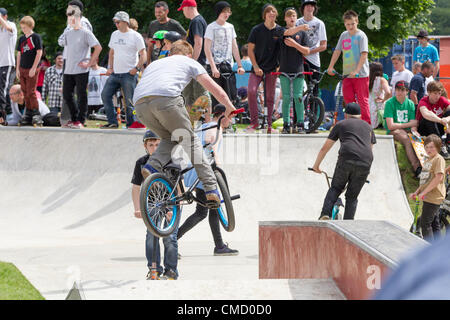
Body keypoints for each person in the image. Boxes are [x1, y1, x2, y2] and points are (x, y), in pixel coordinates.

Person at [132, 40, 237, 209]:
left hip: (140, 106)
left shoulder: (155, 64)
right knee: (191, 141)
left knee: (169, 136)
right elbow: (214, 89)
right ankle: (211, 189)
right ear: (188, 54)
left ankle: (153, 166)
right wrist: (229, 107)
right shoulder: (190, 62)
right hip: (166, 100)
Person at [179, 104, 239, 256]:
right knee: (203, 212)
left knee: (207, 210)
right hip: (206, 173)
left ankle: (219, 246)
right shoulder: (215, 128)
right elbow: (210, 142)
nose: (231, 122)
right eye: (230, 118)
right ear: (222, 116)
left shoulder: (204, 126)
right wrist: (217, 166)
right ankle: (173, 238)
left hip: (196, 170)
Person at [246, 4, 309, 133]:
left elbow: (297, 42)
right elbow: (250, 50)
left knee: (281, 97)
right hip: (266, 68)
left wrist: (297, 40)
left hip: (281, 69)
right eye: (269, 12)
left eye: (274, 11)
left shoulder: (281, 30)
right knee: (253, 92)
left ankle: (273, 125)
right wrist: (256, 66)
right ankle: (256, 123)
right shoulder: (260, 30)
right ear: (265, 15)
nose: (271, 13)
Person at [312, 102, 376, 220]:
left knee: (336, 188)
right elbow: (370, 149)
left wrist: (316, 166)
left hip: (347, 158)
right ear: (360, 116)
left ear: (346, 114)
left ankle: (325, 214)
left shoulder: (341, 124)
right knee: (352, 197)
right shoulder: (368, 127)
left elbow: (325, 148)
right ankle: (348, 225)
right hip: (365, 163)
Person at [131, 130, 179, 280]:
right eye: (150, 145)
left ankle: (171, 270)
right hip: (152, 203)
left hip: (171, 202)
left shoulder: (171, 162)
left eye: (158, 145)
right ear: (145, 146)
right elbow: (136, 187)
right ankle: (154, 269)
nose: (154, 148)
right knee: (151, 235)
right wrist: (137, 208)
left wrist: (173, 208)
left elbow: (179, 186)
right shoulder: (141, 163)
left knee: (169, 237)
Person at [100, 11, 146, 129]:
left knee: (129, 101)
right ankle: (113, 121)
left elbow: (143, 53)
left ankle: (132, 124)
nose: (116, 24)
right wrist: (110, 67)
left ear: (125, 22)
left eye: (118, 22)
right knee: (105, 94)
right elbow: (111, 52)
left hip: (129, 74)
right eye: (115, 22)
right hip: (115, 73)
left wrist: (136, 68)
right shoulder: (115, 34)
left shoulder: (135, 36)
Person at [59, 6, 101, 129]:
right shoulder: (68, 33)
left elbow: (98, 47)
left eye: (73, 18)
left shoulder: (86, 32)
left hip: (81, 69)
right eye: (69, 19)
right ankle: (73, 118)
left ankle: (81, 120)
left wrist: (90, 63)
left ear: (78, 19)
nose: (71, 21)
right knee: (67, 94)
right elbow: (62, 43)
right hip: (68, 69)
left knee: (81, 94)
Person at [327, 10, 370, 125]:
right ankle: (351, 125)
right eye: (348, 24)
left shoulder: (361, 36)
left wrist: (356, 70)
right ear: (344, 24)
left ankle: (367, 126)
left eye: (353, 24)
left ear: (357, 22)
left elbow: (364, 54)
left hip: (360, 74)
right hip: (347, 74)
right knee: (349, 102)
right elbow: (337, 51)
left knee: (362, 101)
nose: (350, 26)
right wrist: (330, 66)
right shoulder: (343, 35)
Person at [204, 1, 245, 107]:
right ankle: (218, 120)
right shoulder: (211, 27)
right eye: (224, 12)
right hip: (215, 65)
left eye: (228, 12)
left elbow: (234, 47)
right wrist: (213, 68)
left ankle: (230, 120)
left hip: (228, 65)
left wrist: (239, 65)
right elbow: (207, 49)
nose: (226, 14)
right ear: (218, 12)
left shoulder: (230, 27)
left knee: (231, 95)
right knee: (218, 96)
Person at [179, 0, 212, 122]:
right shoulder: (196, 21)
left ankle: (208, 123)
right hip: (196, 63)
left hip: (197, 63)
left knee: (201, 94)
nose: (183, 12)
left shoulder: (196, 21)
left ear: (188, 8)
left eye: (183, 9)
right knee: (189, 94)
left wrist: (192, 61)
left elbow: (198, 43)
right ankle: (191, 122)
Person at [278, 7, 310, 134]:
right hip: (284, 69)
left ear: (297, 18)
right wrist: (301, 27)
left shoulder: (302, 33)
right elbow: (287, 33)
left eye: (294, 16)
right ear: (285, 18)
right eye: (289, 15)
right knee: (286, 98)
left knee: (298, 97)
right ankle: (286, 124)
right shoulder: (281, 30)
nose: (292, 18)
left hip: (298, 70)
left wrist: (295, 45)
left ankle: (300, 123)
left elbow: (307, 51)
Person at [410, 134, 445, 241]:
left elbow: (438, 178)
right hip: (428, 195)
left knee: (425, 223)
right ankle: (437, 248)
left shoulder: (438, 159)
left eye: (432, 147)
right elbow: (424, 180)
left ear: (438, 147)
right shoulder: (428, 160)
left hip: (433, 197)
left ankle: (429, 250)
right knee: (434, 223)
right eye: (427, 147)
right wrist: (417, 192)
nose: (429, 149)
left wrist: (424, 193)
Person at [384, 81, 421, 177]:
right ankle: (417, 168)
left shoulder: (411, 104)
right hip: (394, 131)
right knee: (406, 139)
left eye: (402, 90)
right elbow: (390, 126)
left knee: (417, 139)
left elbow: (414, 123)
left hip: (405, 129)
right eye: (397, 90)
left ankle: (425, 166)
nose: (399, 92)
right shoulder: (389, 103)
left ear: (407, 92)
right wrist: (408, 124)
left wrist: (414, 130)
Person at [16, 16, 43, 126]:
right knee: (24, 91)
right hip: (22, 68)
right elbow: (19, 54)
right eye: (22, 28)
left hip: (31, 69)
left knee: (31, 91)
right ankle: (28, 112)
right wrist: (17, 68)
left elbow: (39, 52)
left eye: (25, 27)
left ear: (30, 26)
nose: (23, 30)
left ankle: (36, 112)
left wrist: (34, 67)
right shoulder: (21, 39)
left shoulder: (35, 37)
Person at [296, 0, 327, 97]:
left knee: (315, 89)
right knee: (298, 88)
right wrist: (301, 51)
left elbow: (323, 46)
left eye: (312, 5)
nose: (310, 7)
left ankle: (313, 111)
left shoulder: (319, 23)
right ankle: (299, 111)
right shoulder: (297, 22)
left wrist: (309, 51)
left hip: (314, 59)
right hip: (299, 58)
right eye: (307, 5)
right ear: (303, 7)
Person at [414, 81, 450, 159]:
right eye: (435, 93)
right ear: (429, 92)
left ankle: (448, 143)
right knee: (429, 118)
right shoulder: (423, 101)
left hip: (438, 126)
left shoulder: (442, 100)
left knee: (448, 113)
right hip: (424, 128)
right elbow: (426, 114)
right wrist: (441, 120)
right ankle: (440, 145)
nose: (437, 96)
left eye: (439, 93)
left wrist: (446, 120)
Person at [0, 7, 17, 125]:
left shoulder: (11, 25)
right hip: (0, 63)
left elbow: (8, 28)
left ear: (5, 16)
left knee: (2, 89)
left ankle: (3, 115)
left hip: (7, 63)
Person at [368, 62, 391, 129]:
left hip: (369, 104)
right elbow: (388, 92)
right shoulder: (381, 80)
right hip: (378, 105)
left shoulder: (368, 79)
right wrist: (383, 100)